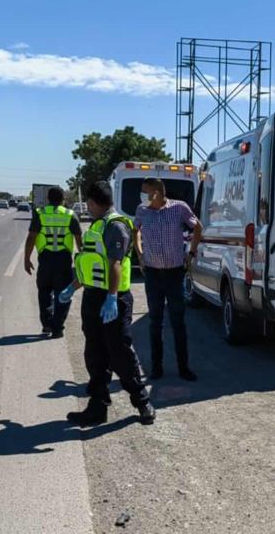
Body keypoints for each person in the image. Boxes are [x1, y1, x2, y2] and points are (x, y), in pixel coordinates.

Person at [58, 181, 154, 426]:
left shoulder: (117, 225)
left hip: (114, 301)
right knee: (95, 354)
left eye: (88, 205)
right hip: (92, 297)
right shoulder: (96, 226)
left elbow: (115, 264)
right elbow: (92, 266)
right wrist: (72, 287)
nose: (88, 209)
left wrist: (111, 297)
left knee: (120, 353)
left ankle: (143, 402)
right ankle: (97, 408)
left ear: (92, 203)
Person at [134, 177, 203, 381]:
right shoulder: (142, 210)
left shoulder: (178, 208)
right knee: (155, 322)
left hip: (174, 273)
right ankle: (156, 368)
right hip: (153, 274)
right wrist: (139, 252)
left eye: (146, 192)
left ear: (156, 192)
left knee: (178, 322)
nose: (144, 196)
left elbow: (197, 226)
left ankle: (183, 368)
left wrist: (191, 253)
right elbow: (135, 229)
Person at [23, 186, 81, 339]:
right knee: (64, 294)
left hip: (46, 260)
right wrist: (82, 261)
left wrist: (26, 259)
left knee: (44, 292)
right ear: (63, 199)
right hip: (63, 261)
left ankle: (47, 324)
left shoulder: (39, 214)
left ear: (48, 199)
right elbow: (79, 240)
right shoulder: (71, 215)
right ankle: (58, 328)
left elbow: (31, 237)